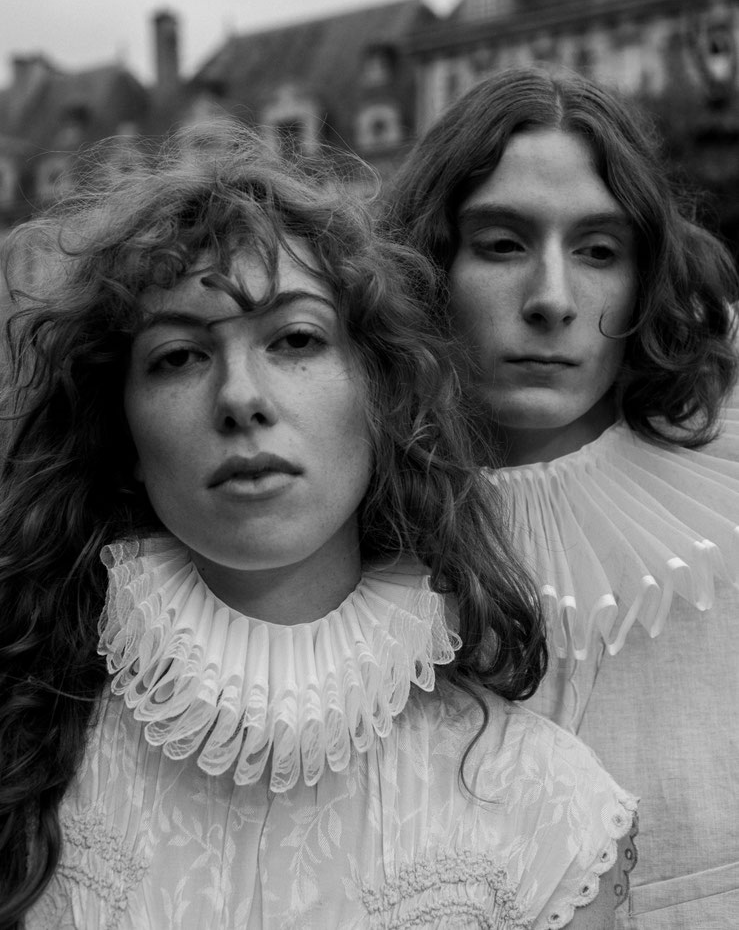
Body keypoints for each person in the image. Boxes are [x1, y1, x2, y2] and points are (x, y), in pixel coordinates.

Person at [0, 124, 636, 930]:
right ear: (120, 432)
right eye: (178, 356)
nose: (240, 396)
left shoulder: (548, 813)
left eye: (296, 339)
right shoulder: (26, 753)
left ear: (381, 396)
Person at [391, 64, 739, 929]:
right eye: (502, 244)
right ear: (427, 265)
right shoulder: (349, 527)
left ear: (645, 276)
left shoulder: (724, 497)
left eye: (597, 250)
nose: (551, 299)